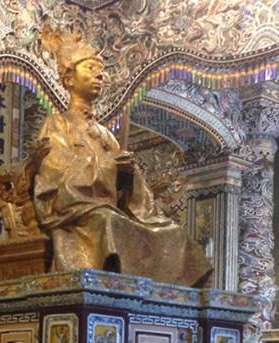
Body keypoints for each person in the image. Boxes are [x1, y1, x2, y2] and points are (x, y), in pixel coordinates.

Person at [34, 30, 213, 287]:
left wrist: (128, 177)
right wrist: (108, 168)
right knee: (107, 222)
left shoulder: (107, 135)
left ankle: (170, 300)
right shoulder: (57, 124)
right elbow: (55, 174)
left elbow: (134, 200)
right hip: (77, 214)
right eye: (91, 68)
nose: (99, 76)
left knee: (173, 233)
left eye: (101, 71)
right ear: (69, 78)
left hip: (112, 211)